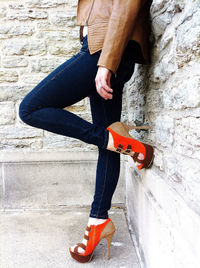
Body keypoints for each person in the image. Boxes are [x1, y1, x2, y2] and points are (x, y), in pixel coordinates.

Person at [18, 0, 153, 263]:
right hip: (106, 48)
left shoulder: (106, 53)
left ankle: (116, 140)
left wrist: (106, 62)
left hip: (105, 49)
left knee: (30, 108)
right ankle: (98, 221)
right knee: (110, 141)